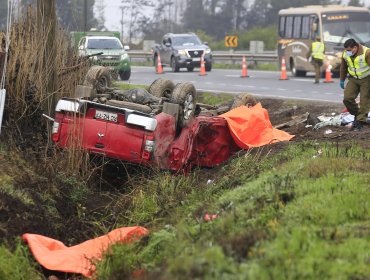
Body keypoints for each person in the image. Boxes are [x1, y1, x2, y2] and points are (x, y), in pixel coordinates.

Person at [339, 38, 370, 130]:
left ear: (355, 48)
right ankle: (357, 115)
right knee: (347, 98)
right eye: (346, 50)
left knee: (364, 100)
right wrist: (342, 80)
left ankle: (360, 122)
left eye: (349, 50)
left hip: (366, 79)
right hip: (353, 78)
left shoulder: (367, 53)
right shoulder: (346, 54)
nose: (347, 52)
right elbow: (343, 67)